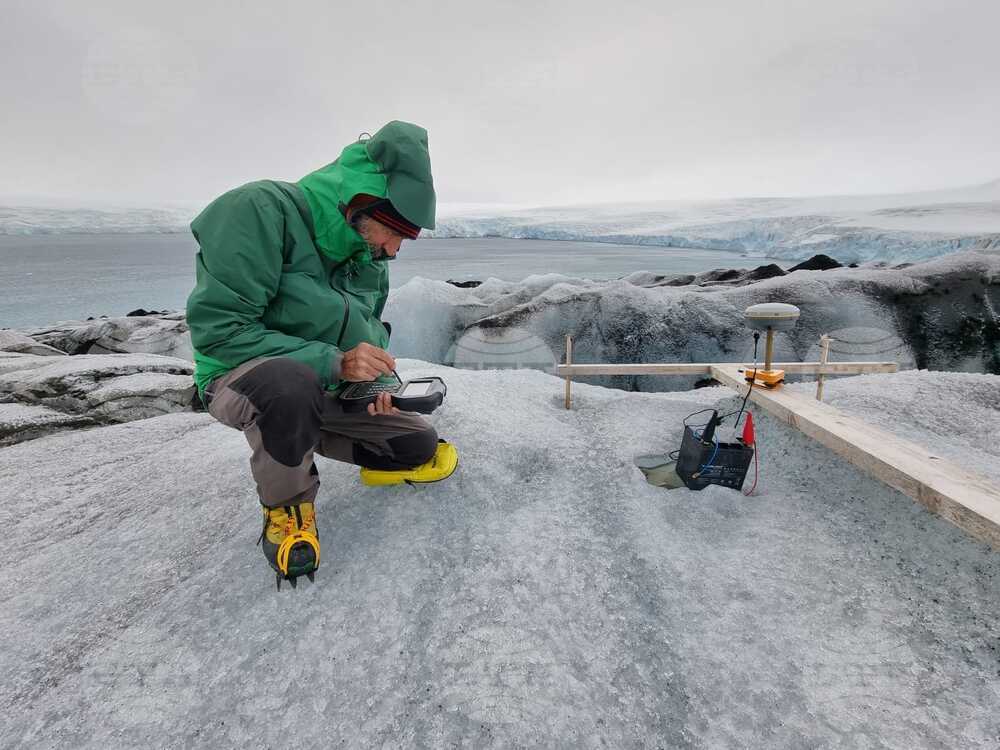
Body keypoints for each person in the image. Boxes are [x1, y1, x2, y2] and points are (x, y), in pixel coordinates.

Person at [185, 121, 458, 588]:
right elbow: (222, 334)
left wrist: (376, 385)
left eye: (404, 240)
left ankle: (293, 435)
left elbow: (368, 336)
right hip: (242, 377)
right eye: (395, 233)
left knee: (415, 446)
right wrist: (335, 363)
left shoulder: (367, 257)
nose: (393, 250)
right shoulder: (260, 210)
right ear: (360, 204)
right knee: (288, 386)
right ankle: (288, 512)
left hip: (323, 386)